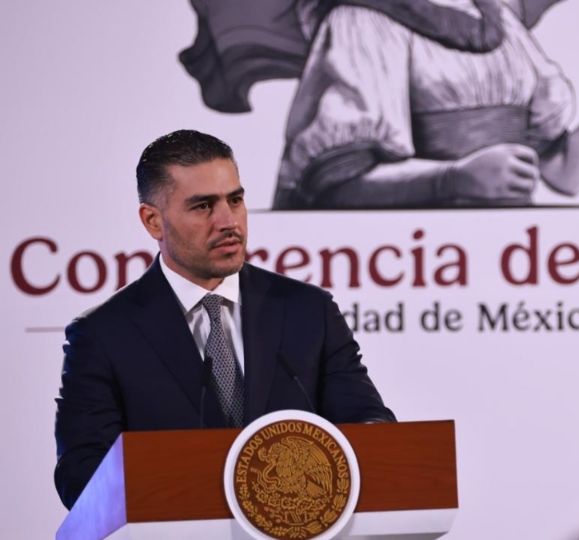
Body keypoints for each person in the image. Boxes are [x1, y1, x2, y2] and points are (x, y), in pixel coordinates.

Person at [53, 130, 395, 510]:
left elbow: (369, 425)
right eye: (203, 206)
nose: (228, 221)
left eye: (235, 200)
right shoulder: (104, 335)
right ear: (153, 221)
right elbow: (81, 476)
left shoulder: (308, 311)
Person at [176, 0, 579, 209]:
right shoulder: (362, 21)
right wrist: (455, 178)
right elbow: (332, 184)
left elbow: (563, 172)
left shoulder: (499, 20)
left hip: (513, 275)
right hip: (412, 283)